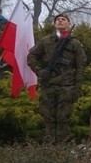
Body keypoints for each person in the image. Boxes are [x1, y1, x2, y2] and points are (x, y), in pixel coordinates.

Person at [27, 13, 87, 143]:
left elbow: (80, 66)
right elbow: (31, 57)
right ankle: (49, 150)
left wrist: (77, 88)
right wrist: (40, 72)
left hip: (66, 87)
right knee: (48, 117)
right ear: (55, 24)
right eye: (58, 20)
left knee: (63, 118)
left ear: (68, 24)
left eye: (63, 19)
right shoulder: (46, 41)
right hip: (48, 86)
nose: (60, 21)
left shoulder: (75, 43)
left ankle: (62, 150)